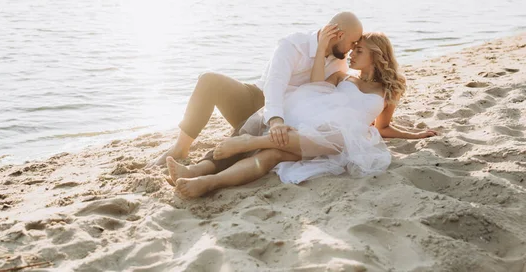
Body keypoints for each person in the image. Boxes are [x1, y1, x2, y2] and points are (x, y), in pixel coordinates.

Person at [167, 32, 438, 199]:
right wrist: (321, 49)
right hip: (311, 128)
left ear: (377, 56)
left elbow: (383, 127)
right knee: (274, 154)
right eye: (353, 49)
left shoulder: (389, 91)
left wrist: (414, 135)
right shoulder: (342, 75)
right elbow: (316, 87)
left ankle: (244, 146)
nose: (352, 53)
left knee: (328, 136)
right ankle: (202, 177)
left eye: (359, 50)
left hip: (343, 139)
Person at [148, 12, 364, 167]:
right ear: (339, 35)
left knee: (241, 141)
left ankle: (203, 167)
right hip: (258, 98)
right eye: (353, 43)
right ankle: (180, 148)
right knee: (209, 80)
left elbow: (319, 93)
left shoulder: (338, 61)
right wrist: (276, 119)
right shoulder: (293, 45)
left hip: (292, 116)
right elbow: (274, 85)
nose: (353, 49)